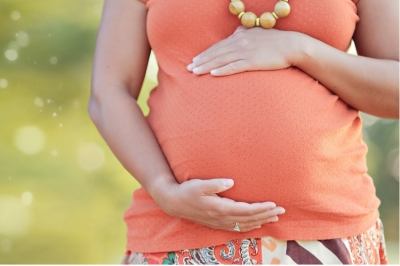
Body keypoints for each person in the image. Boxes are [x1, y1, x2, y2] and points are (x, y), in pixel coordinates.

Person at [89, 0, 399, 264]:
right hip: (176, 235)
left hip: (328, 233)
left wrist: (300, 48)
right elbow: (109, 91)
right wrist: (164, 190)